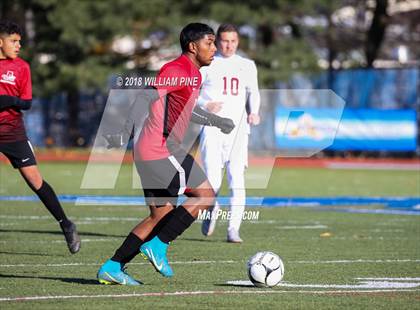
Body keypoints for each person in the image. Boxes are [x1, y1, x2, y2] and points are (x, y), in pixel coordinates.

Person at [97, 22, 235, 286]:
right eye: (210, 43)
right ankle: (158, 246)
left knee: (160, 215)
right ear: (193, 47)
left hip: (155, 148)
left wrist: (216, 121)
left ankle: (112, 266)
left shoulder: (193, 74)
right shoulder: (176, 69)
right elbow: (144, 98)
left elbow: (186, 109)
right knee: (205, 195)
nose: (215, 48)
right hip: (159, 147)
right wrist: (126, 133)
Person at [0, 20, 80, 254]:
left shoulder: (22, 67)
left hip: (12, 131)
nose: (18, 46)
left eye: (20, 41)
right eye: (13, 41)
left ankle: (66, 224)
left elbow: (26, 102)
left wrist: (8, 101)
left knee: (35, 181)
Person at [199, 24, 261, 243]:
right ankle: (211, 212)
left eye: (233, 41)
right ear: (217, 41)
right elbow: (193, 95)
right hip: (212, 129)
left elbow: (254, 91)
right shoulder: (207, 64)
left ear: (238, 42)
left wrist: (254, 112)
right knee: (213, 182)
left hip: (238, 132)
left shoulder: (247, 65)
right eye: (225, 40)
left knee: (237, 180)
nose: (229, 45)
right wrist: (205, 104)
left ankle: (233, 229)